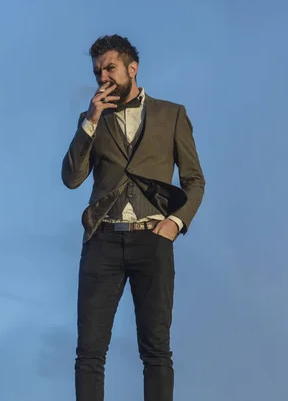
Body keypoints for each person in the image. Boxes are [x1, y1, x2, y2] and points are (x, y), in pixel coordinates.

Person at [61, 34, 206, 401]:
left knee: (156, 349)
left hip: (152, 238)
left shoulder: (171, 114)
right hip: (102, 240)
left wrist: (174, 223)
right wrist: (90, 122)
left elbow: (194, 179)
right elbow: (71, 179)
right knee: (89, 352)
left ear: (132, 68)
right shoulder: (91, 120)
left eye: (110, 67)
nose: (103, 77)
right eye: (97, 72)